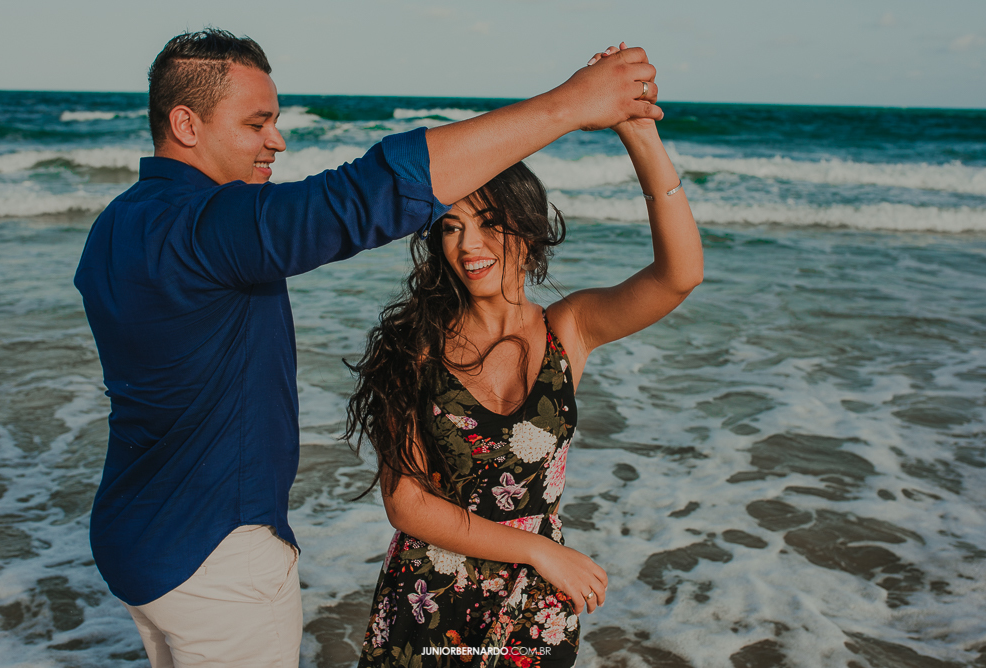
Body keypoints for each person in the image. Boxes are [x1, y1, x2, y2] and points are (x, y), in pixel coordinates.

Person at [73, 29, 661, 668]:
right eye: (257, 122)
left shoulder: (115, 227)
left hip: (135, 539)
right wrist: (570, 105)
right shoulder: (210, 228)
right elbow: (360, 197)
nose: (278, 139)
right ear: (186, 124)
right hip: (215, 556)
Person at [346, 43, 702, 668]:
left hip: (533, 608)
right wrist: (540, 549)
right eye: (451, 227)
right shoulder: (414, 347)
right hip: (430, 599)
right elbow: (406, 501)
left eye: (490, 223)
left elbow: (679, 275)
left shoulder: (570, 329)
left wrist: (636, 133)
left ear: (527, 228)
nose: (469, 245)